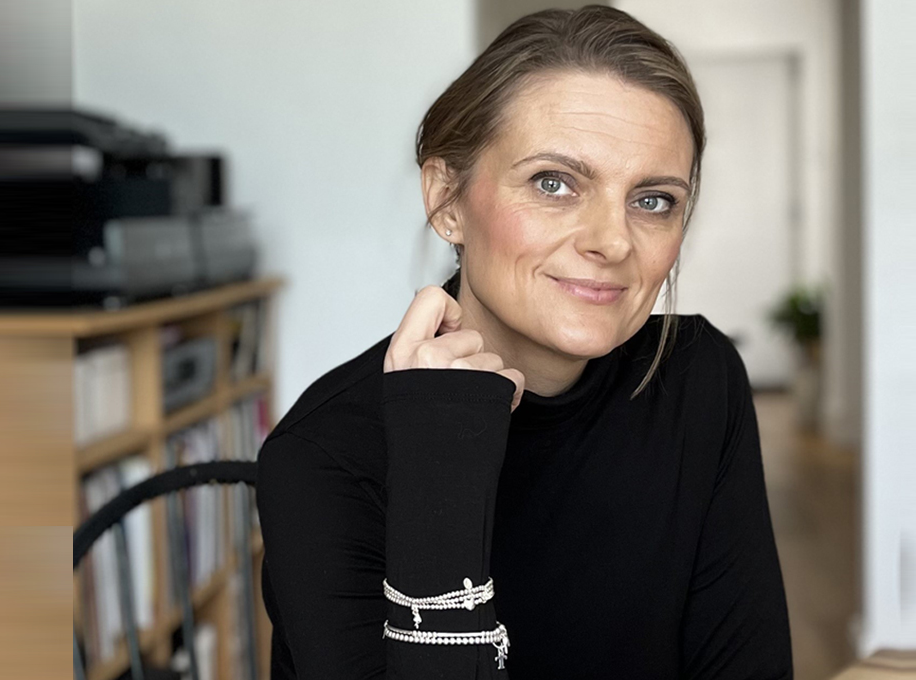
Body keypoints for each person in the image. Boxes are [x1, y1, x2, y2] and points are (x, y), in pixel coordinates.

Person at [255, 6, 793, 679]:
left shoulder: (698, 378)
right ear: (447, 198)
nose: (613, 240)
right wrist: (440, 475)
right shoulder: (325, 454)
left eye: (652, 200)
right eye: (553, 183)